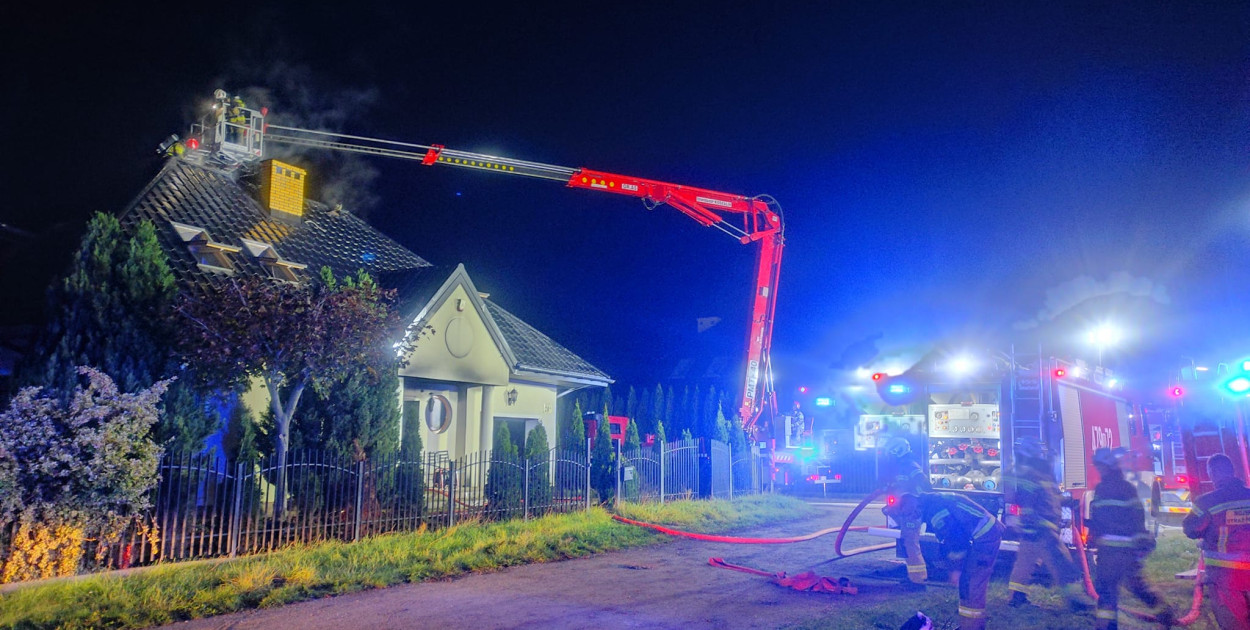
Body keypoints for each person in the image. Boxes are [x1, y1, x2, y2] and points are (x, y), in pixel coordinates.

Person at [1089, 447, 1174, 629]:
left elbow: (1099, 519)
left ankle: (1107, 626)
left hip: (1111, 552)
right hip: (1125, 551)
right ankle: (1165, 614)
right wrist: (1141, 542)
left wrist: (1094, 536)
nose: (1098, 470)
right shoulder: (1127, 488)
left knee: (1110, 592)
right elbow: (1137, 517)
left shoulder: (1102, 489)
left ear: (1106, 467)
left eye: (1099, 466)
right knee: (1135, 587)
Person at [1006, 436, 1092, 610]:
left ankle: (1016, 598)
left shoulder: (1039, 473)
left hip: (1037, 529)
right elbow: (1029, 504)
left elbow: (1050, 497)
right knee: (1062, 563)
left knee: (1025, 563)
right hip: (1041, 529)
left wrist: (1066, 501)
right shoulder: (1031, 475)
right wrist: (1039, 524)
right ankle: (1076, 601)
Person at [909, 492, 1003, 630]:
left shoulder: (936, 512)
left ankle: (972, 627)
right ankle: (969, 624)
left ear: (914, 502)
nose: (911, 516)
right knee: (968, 583)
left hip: (985, 536)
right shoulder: (933, 502)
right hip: (983, 533)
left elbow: (956, 541)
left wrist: (956, 570)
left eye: (909, 512)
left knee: (972, 583)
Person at [1182, 453, 1250, 629]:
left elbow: (1190, 529)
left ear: (1212, 473)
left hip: (1226, 578)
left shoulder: (1206, 502)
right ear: (1232, 471)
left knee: (1234, 624)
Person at [882, 436, 933, 585]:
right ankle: (913, 577)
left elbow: (924, 485)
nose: (889, 456)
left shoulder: (911, 466)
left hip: (911, 512)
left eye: (890, 453)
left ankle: (918, 581)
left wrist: (916, 503)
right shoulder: (902, 466)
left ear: (897, 451)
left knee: (911, 544)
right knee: (908, 543)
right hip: (906, 511)